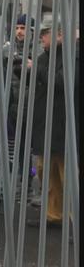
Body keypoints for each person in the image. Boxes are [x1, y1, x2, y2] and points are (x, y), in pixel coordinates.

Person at [28, 20, 79, 227]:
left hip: (64, 126)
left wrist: (36, 70)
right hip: (46, 125)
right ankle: (53, 215)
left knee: (69, 177)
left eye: (44, 33)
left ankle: (74, 221)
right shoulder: (44, 57)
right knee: (46, 174)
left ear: (59, 35)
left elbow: (62, 82)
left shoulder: (73, 56)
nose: (41, 37)